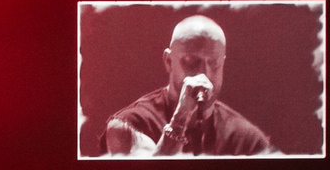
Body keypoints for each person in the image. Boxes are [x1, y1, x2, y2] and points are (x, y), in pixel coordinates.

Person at [104, 14, 275, 157]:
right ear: (168, 61)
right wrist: (181, 118)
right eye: (191, 62)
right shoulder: (128, 124)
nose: (204, 75)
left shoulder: (248, 140)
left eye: (214, 63)